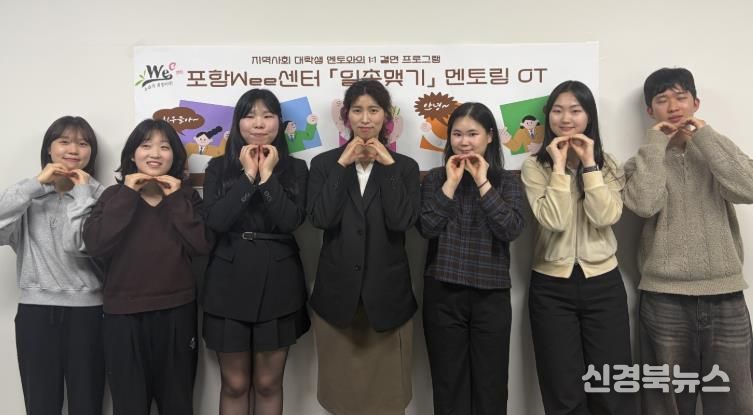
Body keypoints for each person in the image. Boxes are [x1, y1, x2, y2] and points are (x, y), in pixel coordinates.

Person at [622, 67, 753, 414]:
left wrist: (706, 137)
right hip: (664, 299)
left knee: (735, 402)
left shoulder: (716, 152)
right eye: (662, 100)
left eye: (681, 97)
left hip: (725, 295)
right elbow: (643, 204)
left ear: (696, 103)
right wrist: (654, 145)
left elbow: (749, 188)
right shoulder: (643, 161)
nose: (673, 106)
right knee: (665, 403)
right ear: (650, 110)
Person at [520, 80, 635, 414]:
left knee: (611, 385)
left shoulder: (608, 165)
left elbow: (605, 216)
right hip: (550, 287)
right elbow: (553, 220)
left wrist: (589, 166)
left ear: (589, 117)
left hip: (603, 284)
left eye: (575, 110)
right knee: (563, 389)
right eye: (557, 111)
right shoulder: (534, 167)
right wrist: (559, 167)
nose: (565, 118)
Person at [83, 119, 212, 415]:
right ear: (132, 154)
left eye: (164, 147)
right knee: (129, 404)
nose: (155, 153)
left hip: (177, 311)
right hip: (122, 315)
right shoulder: (113, 197)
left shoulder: (186, 197)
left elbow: (202, 245)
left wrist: (175, 198)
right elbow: (96, 245)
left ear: (174, 156)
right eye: (146, 145)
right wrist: (128, 193)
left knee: (178, 403)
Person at [307, 79, 420, 415]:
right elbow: (320, 218)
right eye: (357, 110)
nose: (365, 118)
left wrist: (388, 168)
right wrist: (342, 165)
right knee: (341, 397)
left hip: (387, 298)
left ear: (386, 116)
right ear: (346, 116)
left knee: (388, 398)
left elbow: (401, 221)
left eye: (374, 110)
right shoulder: (324, 164)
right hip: (337, 297)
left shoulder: (405, 167)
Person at [202, 88, 310, 415]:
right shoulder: (218, 167)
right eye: (250, 116)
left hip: (279, 278)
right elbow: (217, 221)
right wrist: (249, 175)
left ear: (279, 121)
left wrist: (267, 177)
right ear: (238, 122)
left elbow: (291, 221)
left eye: (267, 115)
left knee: (268, 383)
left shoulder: (296, 169)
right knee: (234, 384)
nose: (259, 123)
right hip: (227, 277)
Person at [418, 102, 525, 414]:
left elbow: (511, 229)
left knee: (491, 386)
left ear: (489, 136)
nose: (464, 142)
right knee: (448, 384)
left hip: (490, 295)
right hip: (442, 293)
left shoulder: (506, 181)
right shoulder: (436, 178)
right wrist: (450, 184)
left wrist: (482, 182)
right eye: (457, 134)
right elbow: (427, 227)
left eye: (472, 134)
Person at [0, 116, 104, 415]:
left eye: (83, 143)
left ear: (91, 152)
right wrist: (35, 185)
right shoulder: (26, 196)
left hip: (88, 313)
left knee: (87, 403)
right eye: (64, 141)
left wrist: (82, 194)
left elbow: (85, 246)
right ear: (49, 148)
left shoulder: (101, 197)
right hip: (35, 312)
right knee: (40, 404)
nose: (73, 150)